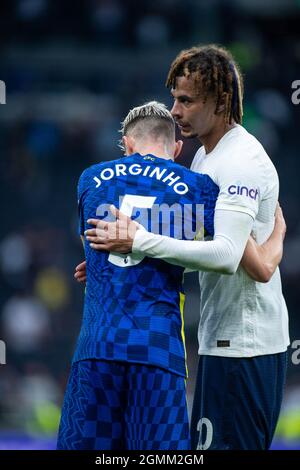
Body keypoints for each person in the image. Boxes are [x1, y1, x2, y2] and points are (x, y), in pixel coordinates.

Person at [80, 45, 289, 450]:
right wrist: (131, 258)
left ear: (221, 100)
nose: (174, 111)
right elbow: (197, 251)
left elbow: (227, 257)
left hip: (245, 347)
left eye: (186, 100)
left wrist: (139, 240)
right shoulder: (203, 162)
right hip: (220, 342)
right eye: (175, 98)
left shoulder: (240, 162)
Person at [57, 101, 221, 450]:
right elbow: (223, 252)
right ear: (176, 148)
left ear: (127, 144)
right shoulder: (199, 187)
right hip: (158, 350)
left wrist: (102, 268)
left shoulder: (90, 178)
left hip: (97, 347)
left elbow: (94, 244)